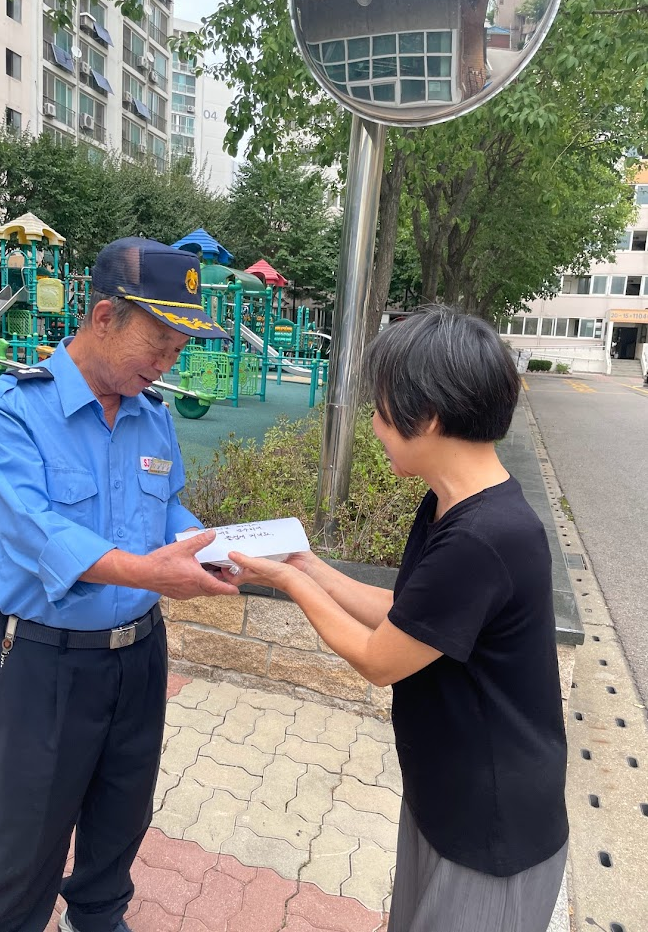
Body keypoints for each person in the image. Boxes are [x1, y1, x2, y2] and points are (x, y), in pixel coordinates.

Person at [224, 306, 569, 932]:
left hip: (492, 829)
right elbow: (409, 616)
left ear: (428, 416)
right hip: (446, 794)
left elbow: (379, 658)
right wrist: (309, 564)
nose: (376, 426)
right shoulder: (449, 505)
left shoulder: (484, 537)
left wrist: (289, 582)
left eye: (382, 410)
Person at [0, 238, 239, 932]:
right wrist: (146, 571)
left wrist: (207, 545)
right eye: (159, 343)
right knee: (22, 840)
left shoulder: (153, 414)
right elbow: (33, 529)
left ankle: (96, 918)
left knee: (121, 817)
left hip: (139, 657)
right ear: (104, 316)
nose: (167, 362)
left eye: (179, 349)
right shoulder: (10, 408)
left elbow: (166, 507)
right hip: (42, 662)